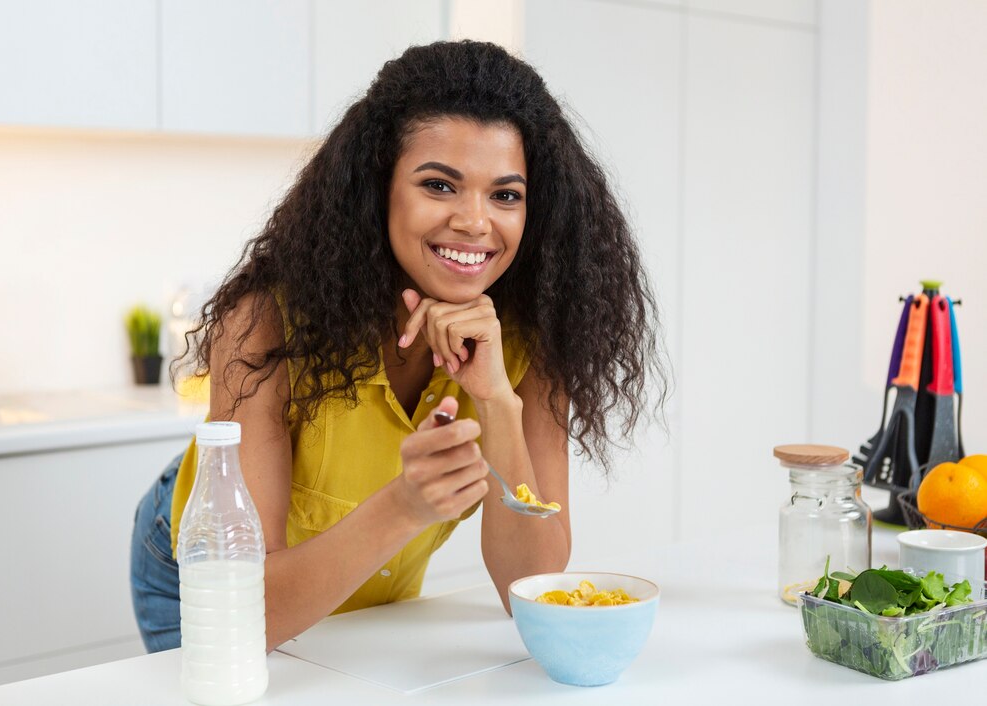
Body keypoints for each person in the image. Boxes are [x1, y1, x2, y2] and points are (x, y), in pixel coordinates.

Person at [130, 40, 665, 654]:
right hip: (205, 587)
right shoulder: (267, 324)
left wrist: (495, 401)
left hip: (366, 598)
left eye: (506, 194)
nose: (474, 221)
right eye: (440, 185)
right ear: (377, 187)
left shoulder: (531, 336)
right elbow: (242, 615)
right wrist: (406, 508)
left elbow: (528, 586)